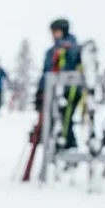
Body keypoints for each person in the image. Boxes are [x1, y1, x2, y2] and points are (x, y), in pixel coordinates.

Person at [36, 18, 81, 149]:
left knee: (65, 119)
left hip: (69, 90)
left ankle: (69, 147)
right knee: (54, 119)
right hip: (52, 91)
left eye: (55, 31)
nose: (53, 35)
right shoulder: (52, 51)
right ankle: (58, 146)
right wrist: (40, 90)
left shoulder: (73, 48)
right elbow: (46, 72)